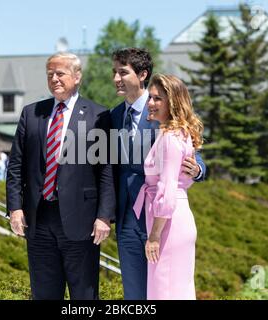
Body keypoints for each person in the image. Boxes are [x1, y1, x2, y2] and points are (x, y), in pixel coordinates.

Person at [6, 52, 115, 300]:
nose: (54, 79)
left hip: (82, 222)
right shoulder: (31, 113)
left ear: (77, 77)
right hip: (38, 221)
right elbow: (16, 166)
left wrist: (104, 216)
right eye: (50, 74)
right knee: (44, 293)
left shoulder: (99, 116)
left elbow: (106, 170)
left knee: (84, 296)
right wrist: (15, 208)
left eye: (60, 73)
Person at [110, 48, 206, 300]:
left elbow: (192, 158)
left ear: (142, 75)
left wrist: (197, 170)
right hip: (127, 218)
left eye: (123, 72)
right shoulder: (114, 116)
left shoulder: (164, 115)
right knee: (137, 295)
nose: (116, 79)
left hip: (160, 218)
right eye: (114, 73)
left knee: (164, 290)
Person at [133, 74, 203, 299]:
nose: (150, 103)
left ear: (173, 102)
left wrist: (153, 236)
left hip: (168, 226)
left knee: (164, 292)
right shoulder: (178, 134)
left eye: (158, 99)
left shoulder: (171, 138)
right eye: (150, 97)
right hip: (174, 221)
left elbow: (168, 190)